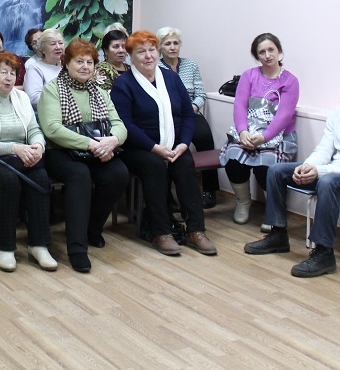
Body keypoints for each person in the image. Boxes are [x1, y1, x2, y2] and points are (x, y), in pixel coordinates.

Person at [244, 64, 340, 278]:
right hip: (335, 172)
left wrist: (319, 171)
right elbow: (324, 149)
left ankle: (324, 253)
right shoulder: (337, 113)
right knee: (276, 171)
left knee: (327, 182)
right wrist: (308, 166)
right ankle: (277, 235)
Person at [111, 31, 217, 257]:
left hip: (174, 145)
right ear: (131, 56)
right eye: (141, 52)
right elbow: (125, 124)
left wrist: (184, 143)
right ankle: (161, 232)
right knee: (155, 165)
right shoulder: (123, 84)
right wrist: (155, 148)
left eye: (151, 50)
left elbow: (188, 115)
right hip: (139, 147)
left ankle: (196, 230)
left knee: (185, 163)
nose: (148, 56)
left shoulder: (171, 79)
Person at [39, 38, 128, 273]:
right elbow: (52, 129)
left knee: (118, 174)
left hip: (95, 148)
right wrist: (92, 144)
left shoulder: (100, 91)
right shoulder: (52, 89)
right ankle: (77, 248)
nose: (85, 67)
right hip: (60, 151)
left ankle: (92, 228)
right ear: (66, 63)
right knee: (80, 176)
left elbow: (119, 124)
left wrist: (112, 141)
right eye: (79, 61)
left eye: (89, 62)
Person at [0, 51, 56, 273]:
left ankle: (39, 245)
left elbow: (34, 129)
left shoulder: (22, 98)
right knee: (8, 181)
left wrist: (38, 146)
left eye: (13, 73)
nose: (9, 78)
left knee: (40, 177)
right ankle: (5, 247)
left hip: (19, 154)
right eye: (3, 72)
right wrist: (15, 148)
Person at [220, 32, 300, 225]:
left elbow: (284, 116)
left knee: (268, 167)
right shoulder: (249, 75)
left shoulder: (290, 80)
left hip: (278, 136)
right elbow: (240, 106)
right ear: (257, 56)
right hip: (249, 131)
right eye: (262, 52)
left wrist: (264, 137)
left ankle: (273, 210)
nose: (267, 55)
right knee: (233, 158)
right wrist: (243, 132)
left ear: (279, 51)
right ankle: (243, 201)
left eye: (271, 50)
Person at [157, 27, 218, 209]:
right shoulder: (156, 67)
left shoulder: (190, 65)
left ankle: (210, 190)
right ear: (160, 47)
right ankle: (167, 194)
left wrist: (191, 108)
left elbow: (200, 94)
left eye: (176, 43)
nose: (172, 47)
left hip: (191, 113)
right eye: (168, 44)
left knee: (205, 138)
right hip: (169, 117)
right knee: (170, 148)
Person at [24, 28, 65, 109]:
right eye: (53, 44)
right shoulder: (35, 68)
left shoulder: (68, 66)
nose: (58, 47)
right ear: (43, 49)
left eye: (60, 43)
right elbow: (34, 99)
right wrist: (64, 99)